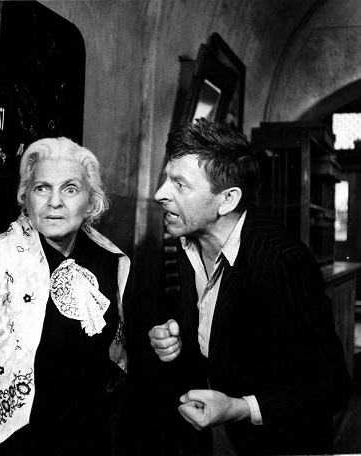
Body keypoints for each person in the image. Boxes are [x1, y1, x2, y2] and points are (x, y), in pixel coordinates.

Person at [148, 118, 352, 455]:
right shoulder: (188, 239)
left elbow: (332, 386)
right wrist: (178, 335)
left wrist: (238, 408)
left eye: (180, 185)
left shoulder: (282, 261)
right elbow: (223, 328)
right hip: (213, 435)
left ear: (227, 199)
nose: (159, 194)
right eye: (167, 178)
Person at [0, 137, 130, 455]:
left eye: (70, 189)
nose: (54, 202)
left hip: (90, 432)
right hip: (24, 441)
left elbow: (113, 358)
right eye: (42, 188)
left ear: (91, 201)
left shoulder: (108, 258)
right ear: (26, 196)